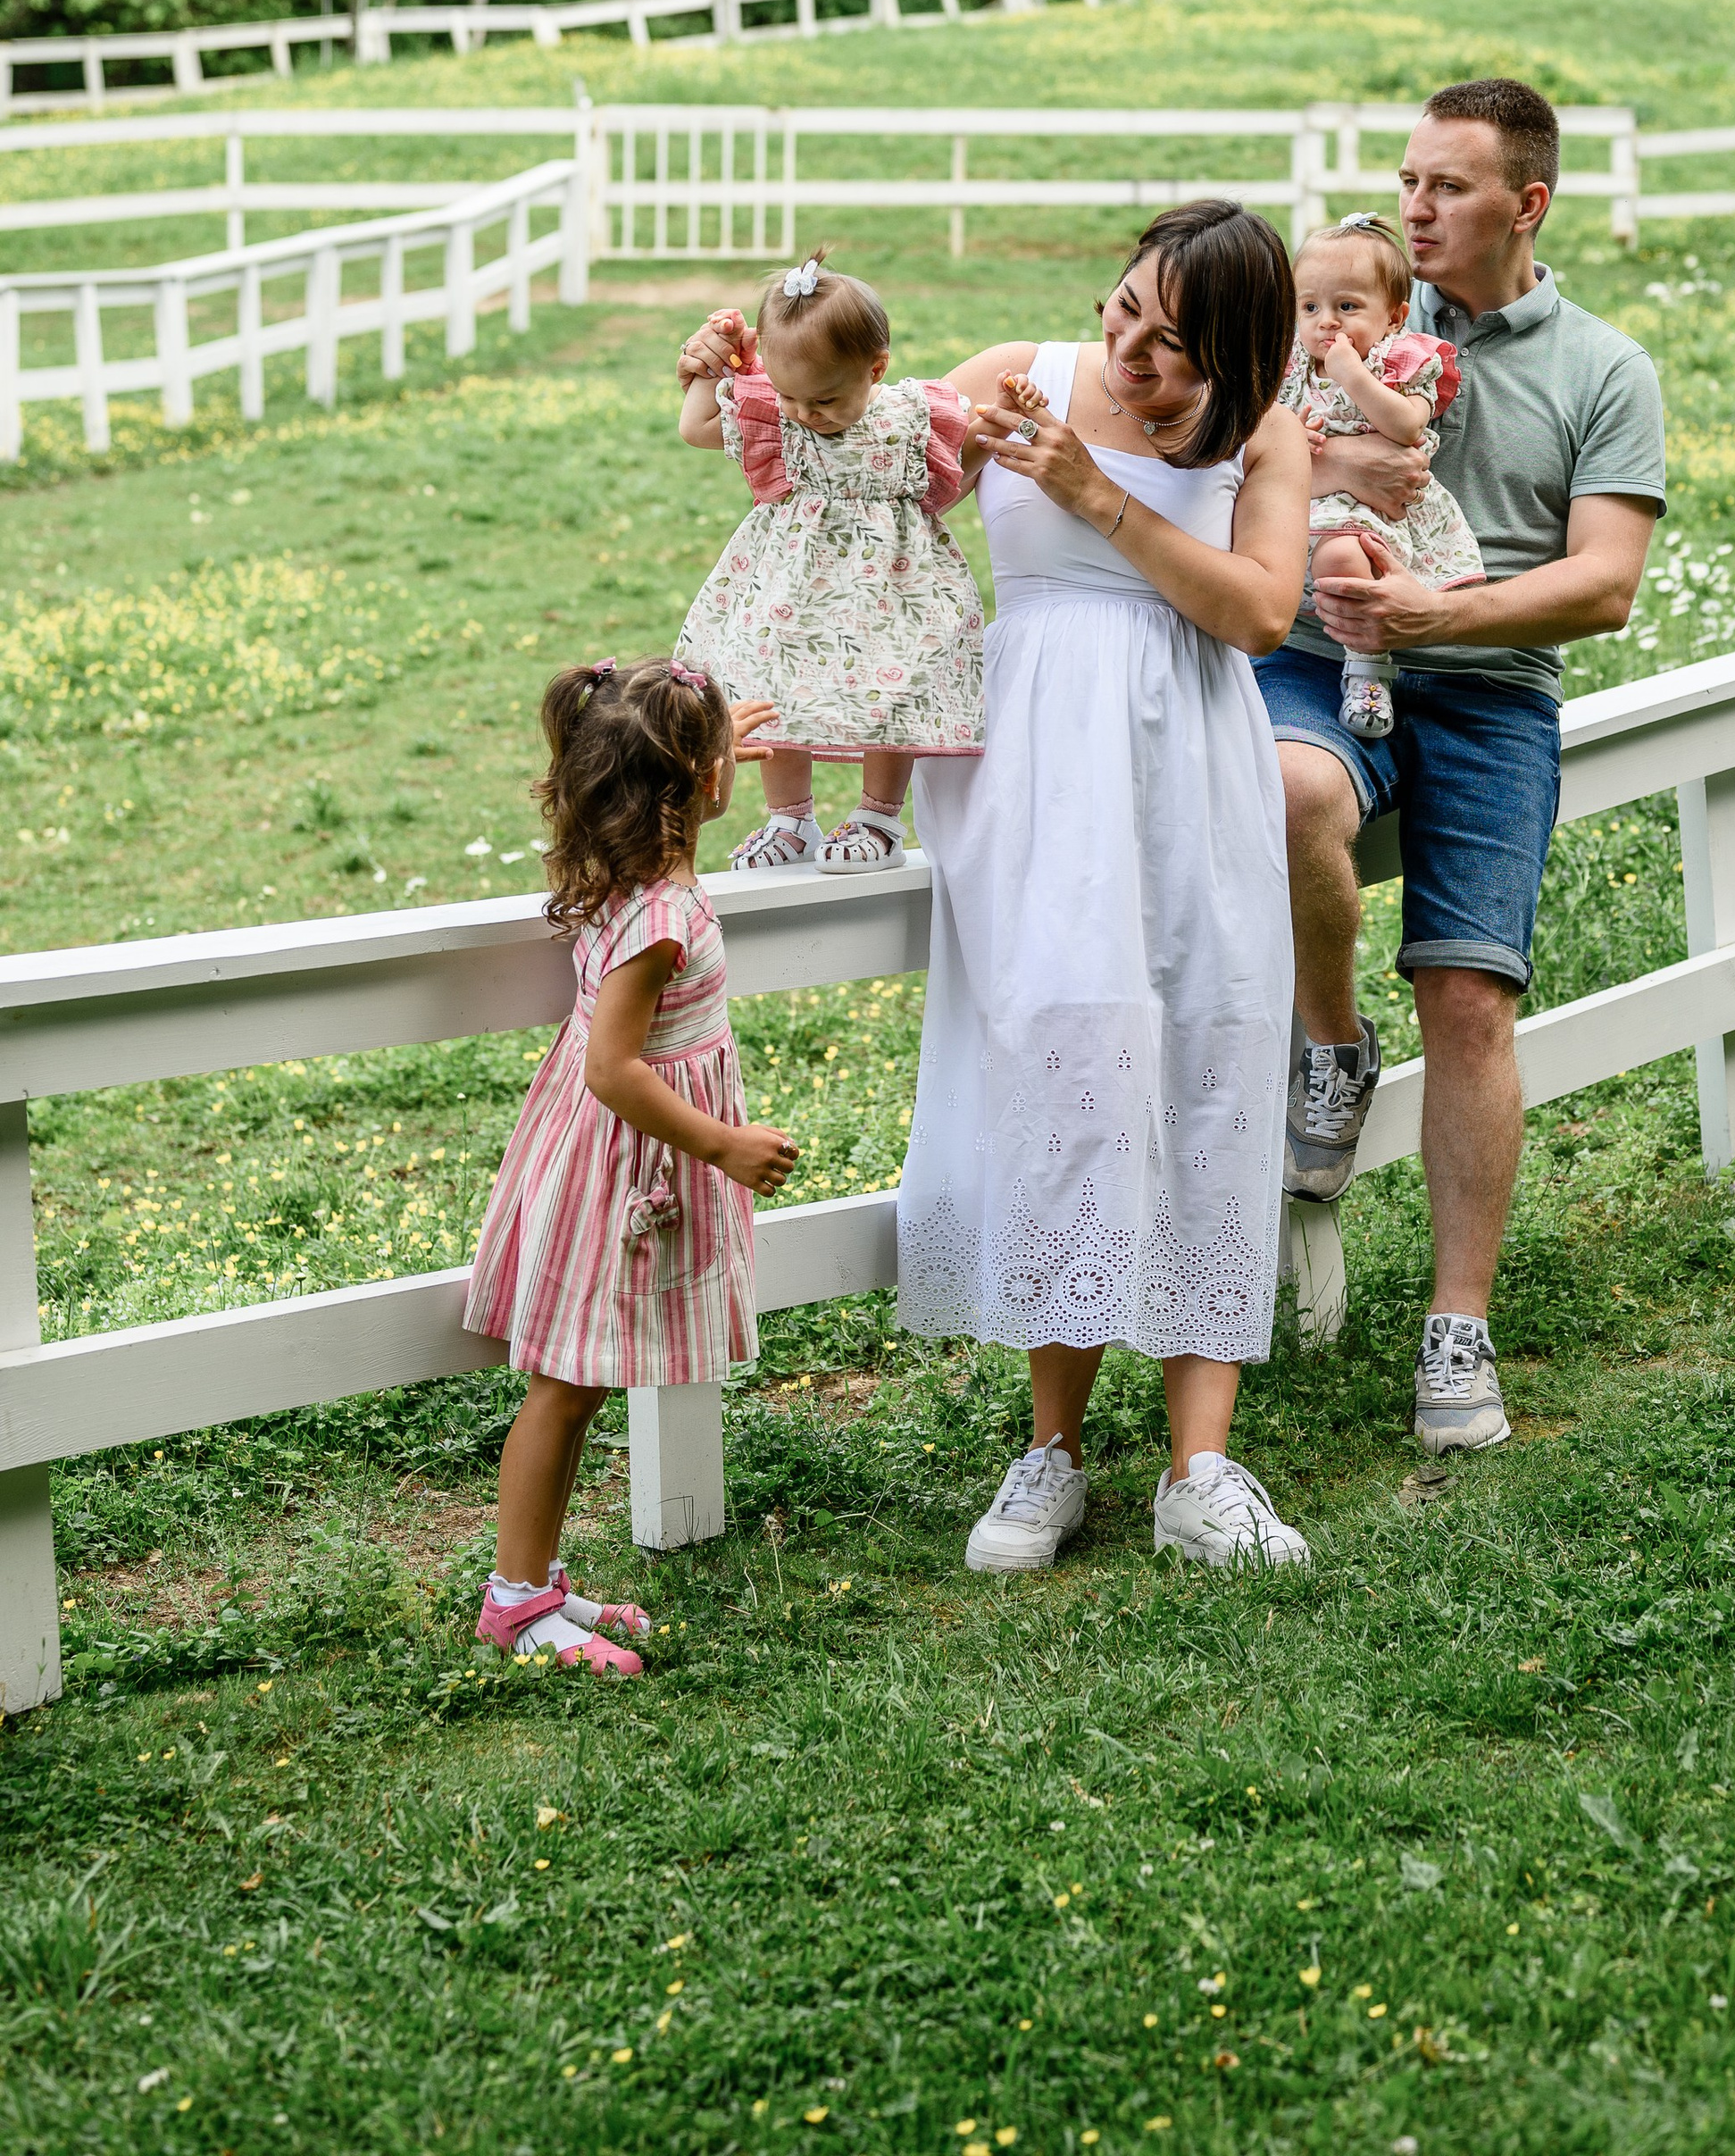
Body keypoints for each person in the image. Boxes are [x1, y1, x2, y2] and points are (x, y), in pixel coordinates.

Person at [895, 201, 1315, 1575]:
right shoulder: (1014, 378)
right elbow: (855, 487)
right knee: (1064, 1063)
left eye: (1171, 342)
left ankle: (1201, 1469)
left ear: (1235, 357)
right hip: (1039, 776)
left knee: (1211, 1058)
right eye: (1124, 309)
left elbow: (1259, 612)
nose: (1130, 350)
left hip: (1191, 769)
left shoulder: (1263, 436)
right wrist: (755, 384)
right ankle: (1053, 1452)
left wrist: (1097, 495)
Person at [1254, 79, 1664, 1455]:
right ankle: (1330, 1042)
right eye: (1410, 181)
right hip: (1317, 658)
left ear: (1526, 204)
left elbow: (1604, 585)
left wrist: (1438, 618)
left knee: (1471, 1000)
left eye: (1449, 187)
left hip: (1490, 694)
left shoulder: (1604, 369)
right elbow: (1231, 439)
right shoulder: (1347, 309)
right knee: (1291, 790)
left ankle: (1457, 1331)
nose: (1417, 207)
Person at [463, 656, 800, 1671]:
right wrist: (724, 1144)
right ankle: (514, 1603)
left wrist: (704, 756)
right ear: (693, 784)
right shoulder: (658, 920)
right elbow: (613, 1069)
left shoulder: (631, 871)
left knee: (580, 1383)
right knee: (565, 1387)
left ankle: (534, 1581)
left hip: (612, 1163)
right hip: (622, 1174)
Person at [673, 255, 987, 873]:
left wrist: (1014, 420)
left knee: (895, 686)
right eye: (788, 395)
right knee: (773, 682)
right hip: (789, 588)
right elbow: (696, 427)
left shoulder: (914, 415)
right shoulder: (777, 415)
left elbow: (962, 462)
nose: (803, 414)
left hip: (893, 591)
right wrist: (714, 365)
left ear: (876, 369)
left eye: (823, 399)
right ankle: (790, 820)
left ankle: (880, 817)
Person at [1280, 210, 1484, 739]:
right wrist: (1290, 436)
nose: (1327, 322)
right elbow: (1261, 434)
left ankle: (1368, 671)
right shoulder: (1290, 365)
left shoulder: (1398, 362)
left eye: (1347, 307)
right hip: (1302, 507)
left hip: (1375, 512)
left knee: (1346, 561)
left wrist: (1353, 375)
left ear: (1394, 316)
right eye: (1310, 307)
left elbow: (1407, 425)